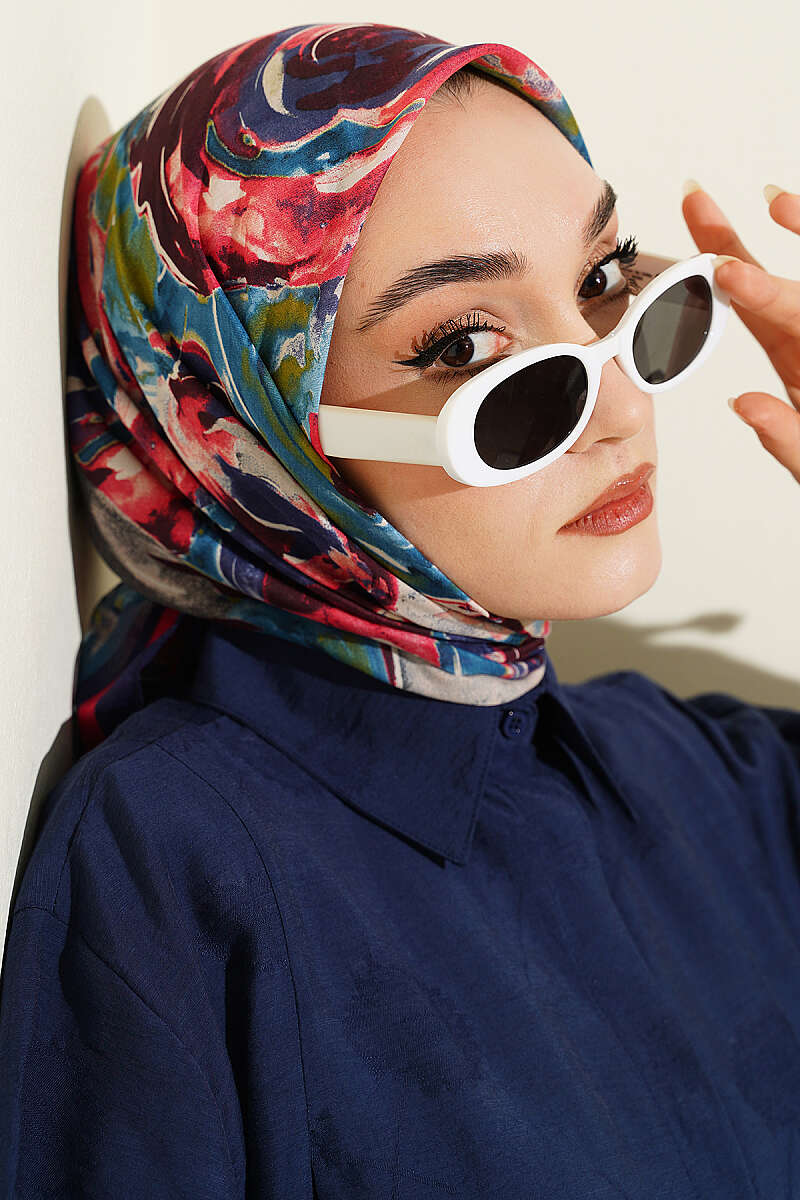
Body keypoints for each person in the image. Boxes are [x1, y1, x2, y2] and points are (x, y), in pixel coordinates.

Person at [2, 20, 800, 1198]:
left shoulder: (704, 780)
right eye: (465, 345)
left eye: (600, 282)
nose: (621, 408)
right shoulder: (176, 864)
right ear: (251, 431)